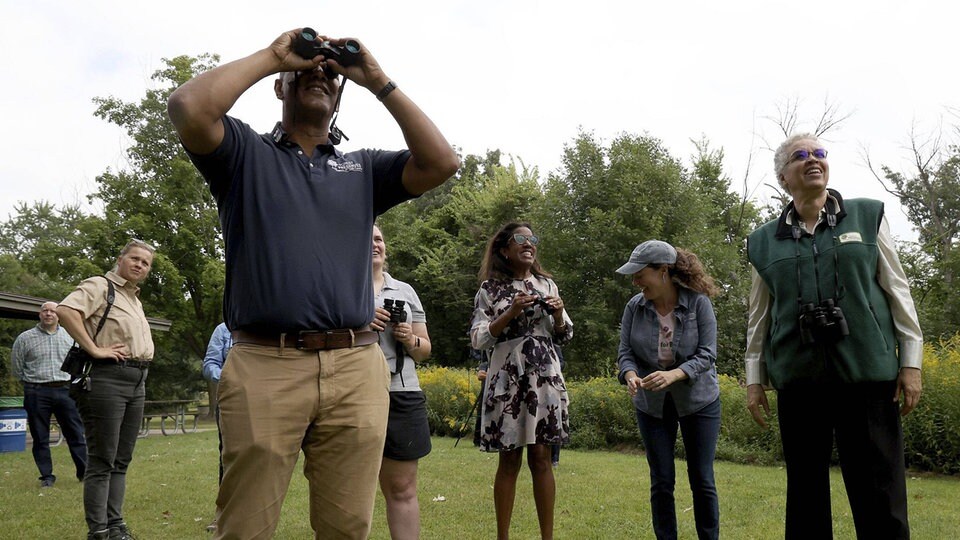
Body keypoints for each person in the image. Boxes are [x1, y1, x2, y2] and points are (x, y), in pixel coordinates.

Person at [167, 28, 459, 539]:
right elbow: (188, 107)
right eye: (302, 73)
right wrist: (275, 57)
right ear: (279, 88)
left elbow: (442, 162)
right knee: (244, 528)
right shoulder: (242, 155)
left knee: (347, 528)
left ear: (341, 94)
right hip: (264, 363)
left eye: (328, 73)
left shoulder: (363, 168)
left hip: (355, 367)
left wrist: (375, 79)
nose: (317, 75)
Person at [745, 133, 923, 540]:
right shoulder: (762, 241)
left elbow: (899, 292)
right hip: (799, 380)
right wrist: (755, 380)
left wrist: (910, 362)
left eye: (819, 154)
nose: (813, 160)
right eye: (800, 156)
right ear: (783, 176)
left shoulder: (867, 216)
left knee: (880, 493)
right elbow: (759, 317)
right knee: (805, 496)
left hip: (868, 377)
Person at [470, 222, 573, 540]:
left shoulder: (547, 285)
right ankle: (503, 536)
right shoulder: (490, 290)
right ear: (504, 249)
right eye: (520, 239)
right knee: (510, 458)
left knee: (542, 457)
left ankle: (547, 537)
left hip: (544, 379)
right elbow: (478, 338)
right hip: (508, 384)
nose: (529, 244)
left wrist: (557, 314)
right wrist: (510, 312)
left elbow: (566, 333)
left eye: (533, 239)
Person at [615, 240, 722, 540]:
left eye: (640, 273)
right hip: (651, 405)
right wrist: (631, 374)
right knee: (661, 480)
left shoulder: (699, 303)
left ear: (663, 271)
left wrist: (675, 374)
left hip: (699, 402)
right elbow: (625, 352)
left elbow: (707, 354)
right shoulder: (634, 307)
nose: (635, 281)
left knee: (702, 479)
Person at [57, 239, 156, 540]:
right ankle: (98, 531)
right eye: (135, 259)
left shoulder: (135, 299)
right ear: (121, 258)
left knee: (121, 459)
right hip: (106, 380)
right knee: (102, 459)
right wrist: (95, 349)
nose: (139, 265)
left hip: (136, 381)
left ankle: (116, 526)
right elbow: (65, 310)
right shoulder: (101, 286)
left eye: (145, 263)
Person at [369, 224, 432, 540]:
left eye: (378, 239)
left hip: (402, 392)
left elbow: (425, 349)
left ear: (386, 248)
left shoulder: (405, 291)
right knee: (351, 486)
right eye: (365, 240)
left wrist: (409, 338)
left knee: (403, 487)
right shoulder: (340, 288)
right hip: (354, 394)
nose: (374, 244)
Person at [10, 301, 87, 488]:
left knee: (76, 433)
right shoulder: (25, 338)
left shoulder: (71, 336)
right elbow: (17, 367)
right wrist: (31, 383)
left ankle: (84, 473)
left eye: (53, 311)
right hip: (36, 391)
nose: (49, 314)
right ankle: (46, 476)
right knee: (40, 435)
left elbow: (80, 364)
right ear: (40, 314)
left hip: (66, 390)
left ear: (59, 315)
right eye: (45, 310)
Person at [200, 322, 232, 533]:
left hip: (269, 401)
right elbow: (210, 363)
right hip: (231, 399)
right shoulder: (223, 330)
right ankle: (222, 513)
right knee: (227, 456)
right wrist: (227, 377)